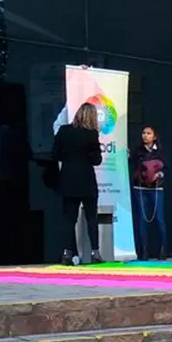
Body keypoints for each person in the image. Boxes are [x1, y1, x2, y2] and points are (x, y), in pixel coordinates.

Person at [52, 102, 103, 265]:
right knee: (91, 218)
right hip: (86, 180)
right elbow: (96, 160)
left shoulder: (64, 131)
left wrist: (68, 158)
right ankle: (95, 253)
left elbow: (54, 154)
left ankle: (67, 253)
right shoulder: (92, 134)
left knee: (69, 219)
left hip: (68, 179)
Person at [130, 125, 167, 260]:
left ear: (154, 136)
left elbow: (168, 169)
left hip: (157, 189)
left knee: (159, 219)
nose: (145, 135)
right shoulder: (137, 151)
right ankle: (143, 251)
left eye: (149, 133)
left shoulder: (161, 153)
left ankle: (163, 249)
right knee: (142, 219)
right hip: (140, 189)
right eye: (144, 133)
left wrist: (160, 175)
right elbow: (130, 164)